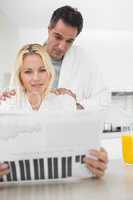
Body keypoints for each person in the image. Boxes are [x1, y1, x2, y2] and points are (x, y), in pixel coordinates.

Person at [0, 6, 109, 177]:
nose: (61, 46)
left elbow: (102, 100)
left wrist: (74, 105)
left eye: (69, 41)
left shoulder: (84, 61)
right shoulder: (27, 56)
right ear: (49, 30)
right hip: (28, 155)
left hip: (66, 150)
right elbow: (13, 110)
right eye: (57, 37)